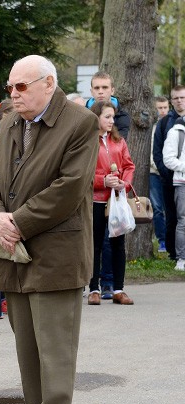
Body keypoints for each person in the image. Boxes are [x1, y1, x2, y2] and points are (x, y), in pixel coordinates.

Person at [0, 55, 99, 404]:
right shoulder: (11, 122)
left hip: (56, 257)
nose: (13, 95)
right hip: (13, 253)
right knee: (28, 351)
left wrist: (18, 222)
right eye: (10, 87)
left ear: (49, 84)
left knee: (55, 353)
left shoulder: (80, 123)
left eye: (21, 87)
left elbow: (70, 188)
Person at [87, 101, 135, 306]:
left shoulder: (118, 140)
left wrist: (124, 183)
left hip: (116, 200)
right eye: (107, 116)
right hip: (96, 200)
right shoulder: (87, 141)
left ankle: (118, 289)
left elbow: (129, 166)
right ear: (96, 117)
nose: (111, 121)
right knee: (95, 244)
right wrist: (102, 181)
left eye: (113, 117)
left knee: (118, 244)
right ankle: (93, 289)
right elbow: (81, 172)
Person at [154, 85, 185, 263]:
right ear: (171, 100)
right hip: (169, 179)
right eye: (176, 98)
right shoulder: (165, 122)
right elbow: (157, 152)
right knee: (172, 216)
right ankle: (174, 252)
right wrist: (167, 173)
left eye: (182, 97)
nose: (179, 101)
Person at [161, 116, 185, 271]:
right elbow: (168, 159)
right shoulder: (176, 132)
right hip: (182, 183)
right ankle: (181, 259)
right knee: (183, 221)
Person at [150, 96, 171, 253]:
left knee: (170, 207)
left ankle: (171, 240)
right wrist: (158, 167)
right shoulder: (151, 127)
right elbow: (151, 152)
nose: (163, 111)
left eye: (165, 107)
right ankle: (162, 240)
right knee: (157, 207)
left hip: (170, 171)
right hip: (154, 172)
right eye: (160, 108)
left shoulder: (173, 124)